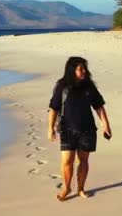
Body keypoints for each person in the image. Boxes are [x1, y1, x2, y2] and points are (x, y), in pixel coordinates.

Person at [47, 56, 112, 201]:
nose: (84, 71)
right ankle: (66, 187)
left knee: (83, 161)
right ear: (72, 70)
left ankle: (81, 188)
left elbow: (99, 106)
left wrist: (106, 125)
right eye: (80, 69)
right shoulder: (62, 86)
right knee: (67, 161)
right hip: (67, 129)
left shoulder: (89, 86)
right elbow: (54, 108)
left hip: (87, 129)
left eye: (85, 68)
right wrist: (50, 128)